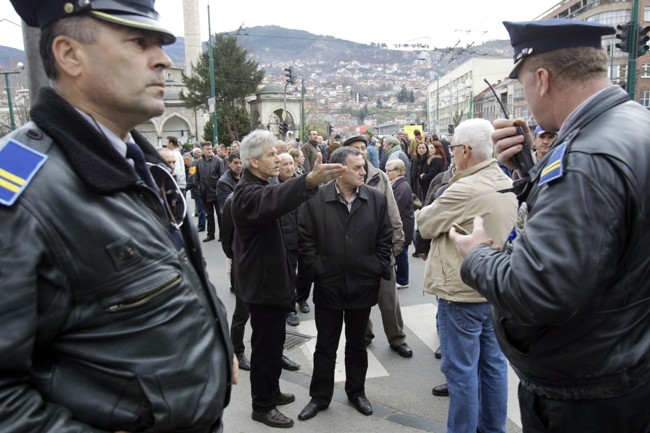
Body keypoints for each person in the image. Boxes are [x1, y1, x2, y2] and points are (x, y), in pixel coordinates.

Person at [0, 1, 235, 431]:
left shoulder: (138, 162)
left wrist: (216, 349)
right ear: (70, 55)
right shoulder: (22, 191)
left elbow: (174, 277)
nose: (164, 59)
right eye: (139, 42)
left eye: (161, 43)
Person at [450, 19, 650, 433]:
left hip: (585, 391)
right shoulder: (631, 124)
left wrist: (478, 258)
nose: (526, 95)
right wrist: (528, 175)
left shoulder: (585, 156)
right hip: (626, 363)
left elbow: (541, 290)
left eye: (523, 84)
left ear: (542, 79)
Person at [232, 129, 346, 428]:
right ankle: (262, 405)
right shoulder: (247, 192)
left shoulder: (260, 184)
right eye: (270, 155)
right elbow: (273, 198)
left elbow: (276, 196)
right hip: (262, 285)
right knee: (266, 348)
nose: (276, 159)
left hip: (271, 283)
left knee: (274, 344)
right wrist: (307, 181)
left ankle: (271, 390)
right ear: (253, 162)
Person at [417, 118, 517, 433]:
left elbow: (424, 223)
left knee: (461, 374)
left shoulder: (464, 188)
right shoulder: (505, 180)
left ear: (464, 150)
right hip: (495, 289)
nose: (452, 154)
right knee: (494, 368)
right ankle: (492, 429)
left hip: (462, 293)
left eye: (453, 148)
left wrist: (432, 216)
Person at [297, 146, 393, 421]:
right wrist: (319, 270)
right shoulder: (316, 199)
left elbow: (385, 237)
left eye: (363, 166)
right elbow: (305, 240)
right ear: (339, 171)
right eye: (357, 167)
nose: (364, 171)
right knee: (326, 345)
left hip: (362, 286)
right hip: (329, 285)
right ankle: (319, 396)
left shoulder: (375, 198)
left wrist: (376, 266)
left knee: (357, 344)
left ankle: (357, 392)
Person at [343, 136, 413, 358]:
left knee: (389, 299)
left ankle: (397, 338)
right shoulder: (341, 179)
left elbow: (393, 211)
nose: (361, 152)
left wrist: (397, 242)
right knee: (358, 300)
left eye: (363, 148)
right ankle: (365, 336)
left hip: (381, 249)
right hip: (354, 252)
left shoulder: (379, 176)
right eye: (355, 149)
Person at [385, 159, 414, 290]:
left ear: (398, 172)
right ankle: (401, 278)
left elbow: (395, 207)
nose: (386, 172)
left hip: (404, 226)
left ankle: (403, 280)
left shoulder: (401, 187)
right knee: (400, 253)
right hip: (403, 224)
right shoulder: (397, 184)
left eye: (389, 170)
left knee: (401, 254)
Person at [195, 141, 225, 242]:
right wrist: (199, 188)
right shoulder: (198, 162)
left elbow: (223, 177)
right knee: (209, 215)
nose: (209, 151)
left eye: (211, 149)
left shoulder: (218, 161)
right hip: (204, 193)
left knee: (220, 215)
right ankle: (210, 234)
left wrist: (220, 190)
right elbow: (197, 177)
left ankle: (222, 235)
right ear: (203, 150)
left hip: (217, 192)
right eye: (207, 149)